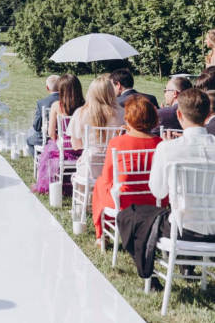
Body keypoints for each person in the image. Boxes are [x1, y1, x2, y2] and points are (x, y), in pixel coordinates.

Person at [118, 89, 215, 285]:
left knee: (127, 216)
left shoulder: (168, 147)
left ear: (179, 114)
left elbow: (158, 191)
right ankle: (187, 266)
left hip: (181, 230)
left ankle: (150, 275)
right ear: (208, 115)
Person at [91, 96, 164, 242]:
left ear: (128, 119)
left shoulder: (117, 142)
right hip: (155, 199)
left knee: (100, 183)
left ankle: (102, 234)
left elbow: (107, 176)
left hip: (125, 200)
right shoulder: (160, 143)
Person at [31, 74, 85, 193]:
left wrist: (58, 140)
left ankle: (57, 183)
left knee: (50, 151)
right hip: (81, 146)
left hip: (64, 147)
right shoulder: (85, 106)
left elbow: (51, 133)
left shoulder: (57, 106)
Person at [68, 76, 126, 179]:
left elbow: (76, 145)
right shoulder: (122, 113)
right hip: (115, 166)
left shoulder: (80, 113)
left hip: (89, 167)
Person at [26, 75, 60, 157]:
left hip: (47, 138)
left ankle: (41, 163)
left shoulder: (41, 103)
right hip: (65, 137)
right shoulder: (69, 101)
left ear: (47, 88)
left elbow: (37, 126)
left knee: (29, 140)